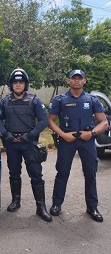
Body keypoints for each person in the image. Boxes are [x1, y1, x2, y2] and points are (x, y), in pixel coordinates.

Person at [48, 69, 108, 222]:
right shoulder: (60, 100)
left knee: (90, 173)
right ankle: (56, 204)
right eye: (73, 78)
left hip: (86, 140)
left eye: (79, 78)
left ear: (84, 81)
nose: (76, 81)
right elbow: (50, 120)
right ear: (68, 81)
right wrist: (63, 134)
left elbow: (104, 122)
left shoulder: (92, 100)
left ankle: (92, 207)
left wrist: (92, 133)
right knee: (62, 173)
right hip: (67, 140)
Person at [0, 68, 52, 222]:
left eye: (21, 82)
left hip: (29, 143)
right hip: (12, 143)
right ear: (11, 85)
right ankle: (15, 201)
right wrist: (5, 133)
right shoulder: (5, 101)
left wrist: (31, 135)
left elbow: (44, 121)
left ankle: (41, 207)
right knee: (14, 174)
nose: (18, 85)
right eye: (15, 82)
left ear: (25, 85)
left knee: (36, 175)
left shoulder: (34, 100)